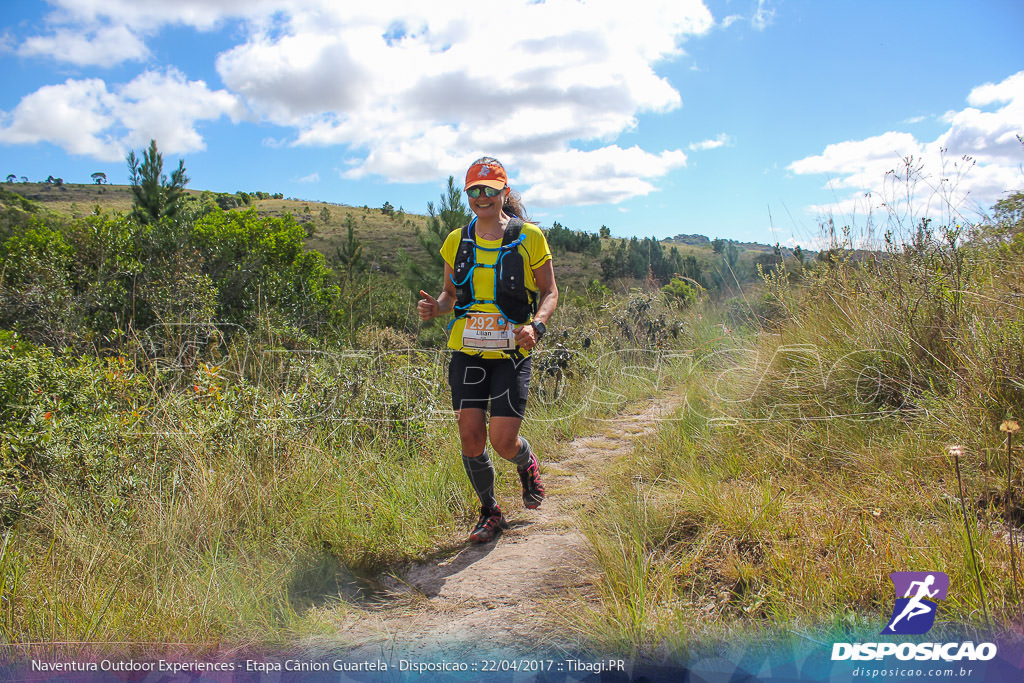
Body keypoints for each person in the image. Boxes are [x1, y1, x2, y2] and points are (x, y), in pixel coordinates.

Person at [418, 157, 558, 544]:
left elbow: (549, 292)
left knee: (502, 441)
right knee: (470, 438)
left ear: (504, 193)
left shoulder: (529, 237)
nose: (482, 197)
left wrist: (536, 325)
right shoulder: (456, 239)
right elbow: (450, 295)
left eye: (490, 190)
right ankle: (490, 512)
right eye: (475, 191)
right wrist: (436, 308)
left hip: (512, 352)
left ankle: (525, 462)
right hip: (467, 350)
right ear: (468, 196)